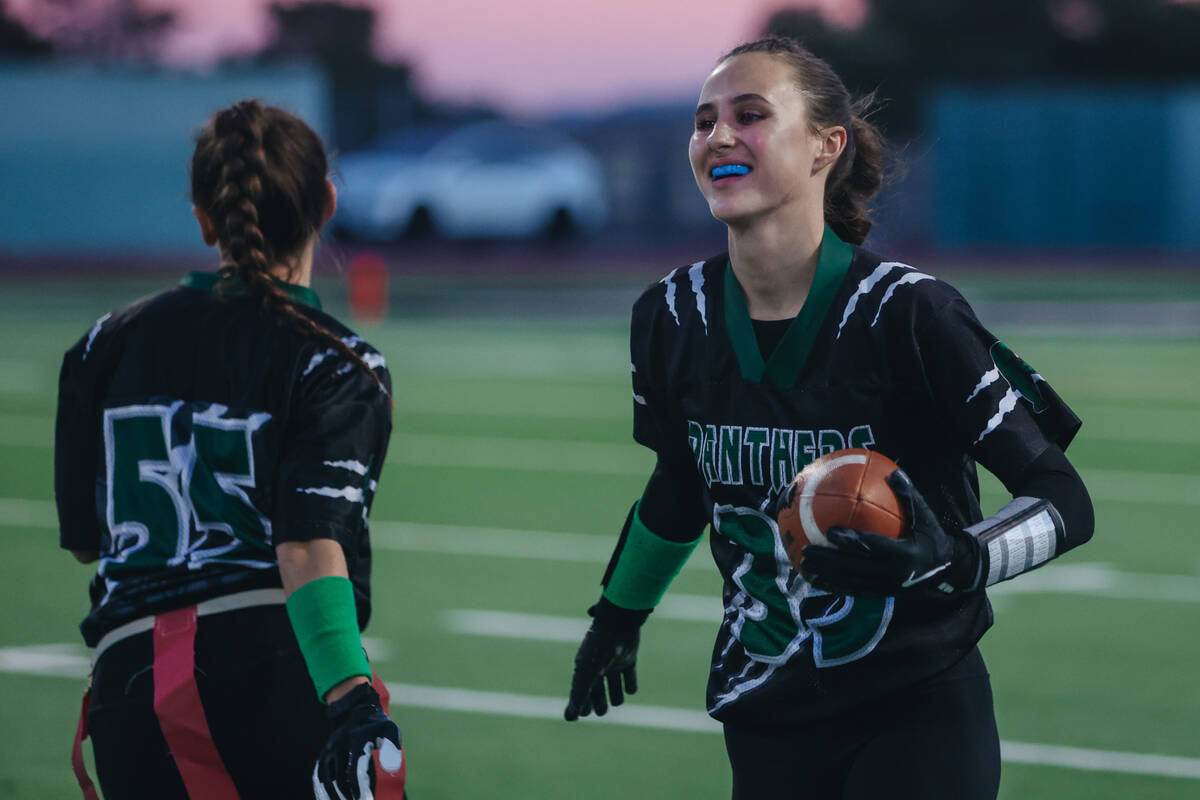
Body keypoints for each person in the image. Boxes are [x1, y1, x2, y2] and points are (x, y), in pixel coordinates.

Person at [563, 36, 1094, 799]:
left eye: (750, 115)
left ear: (824, 145)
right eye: (703, 120)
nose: (718, 136)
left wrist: (959, 558)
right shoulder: (670, 314)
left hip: (914, 704)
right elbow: (682, 484)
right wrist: (617, 614)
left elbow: (1064, 496)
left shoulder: (910, 312)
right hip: (764, 704)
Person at [55, 100, 405, 800]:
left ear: (204, 218)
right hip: (273, 669)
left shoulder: (101, 345)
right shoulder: (337, 360)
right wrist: (352, 698)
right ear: (327, 201)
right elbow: (307, 544)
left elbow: (88, 541)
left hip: (130, 686)